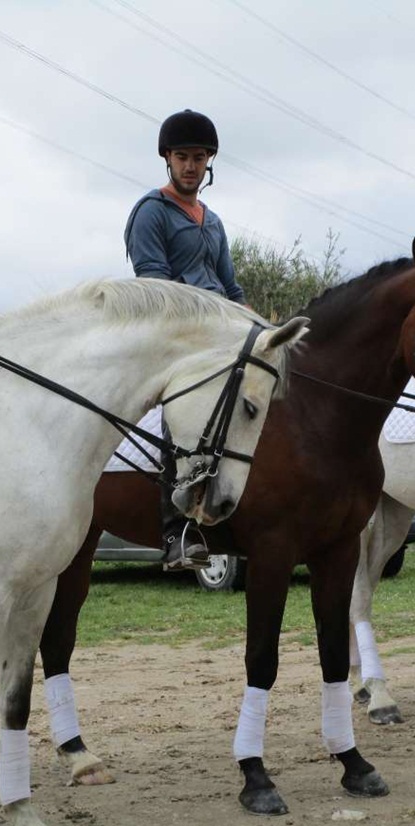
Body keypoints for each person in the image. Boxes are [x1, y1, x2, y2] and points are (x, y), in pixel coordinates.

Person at [124, 108, 246, 571]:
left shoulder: (212, 222)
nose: (190, 166)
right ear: (168, 160)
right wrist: (214, 319)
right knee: (184, 414)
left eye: (198, 157)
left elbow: (231, 289)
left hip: (221, 335)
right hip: (173, 338)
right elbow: (157, 287)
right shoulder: (150, 213)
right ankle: (176, 530)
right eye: (182, 157)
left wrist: (264, 333)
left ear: (209, 161)